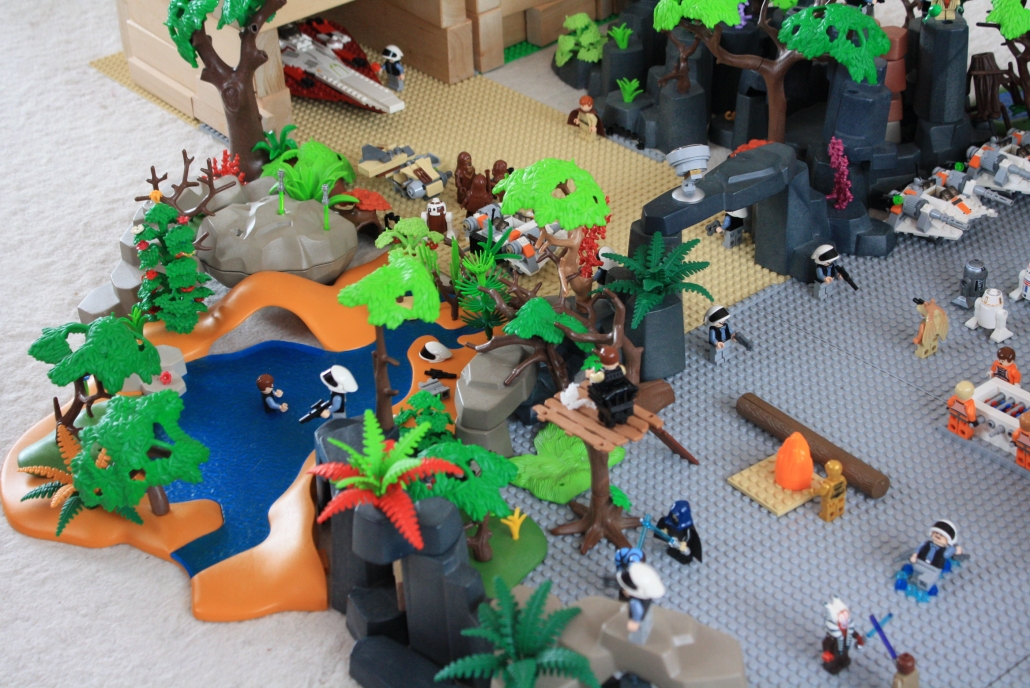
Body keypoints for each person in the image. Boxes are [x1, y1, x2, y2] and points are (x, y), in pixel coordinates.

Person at [907, 519, 962, 593]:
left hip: (934, 568)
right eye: (936, 532)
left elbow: (947, 554)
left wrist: (955, 548)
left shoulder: (945, 551)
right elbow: (918, 549)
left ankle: (923, 588)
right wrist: (914, 556)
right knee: (916, 572)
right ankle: (914, 580)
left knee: (926, 580)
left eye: (942, 535)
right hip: (920, 562)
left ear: (948, 540)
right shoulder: (926, 543)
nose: (938, 535)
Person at [820, 597, 864, 675]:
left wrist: (858, 637)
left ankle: (843, 661)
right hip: (835, 650)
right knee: (834, 659)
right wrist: (826, 652)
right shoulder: (833, 634)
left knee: (844, 655)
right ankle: (831, 667)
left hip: (844, 647)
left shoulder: (847, 628)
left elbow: (853, 632)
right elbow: (826, 643)